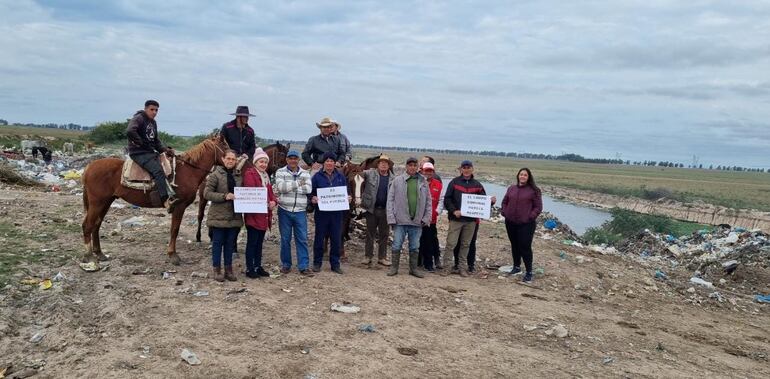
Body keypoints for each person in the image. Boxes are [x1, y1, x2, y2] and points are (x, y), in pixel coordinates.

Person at [442, 160, 495, 277]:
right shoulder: (454, 182)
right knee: (451, 244)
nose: (466, 170)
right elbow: (447, 199)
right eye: (464, 167)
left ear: (472, 169)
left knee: (466, 245)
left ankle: (462, 268)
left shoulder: (477, 185)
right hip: (456, 219)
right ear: (461, 169)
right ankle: (446, 267)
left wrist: (491, 202)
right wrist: (454, 210)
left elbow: (483, 203)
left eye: (468, 167)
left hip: (470, 221)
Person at [126, 100, 177, 211]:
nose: (154, 112)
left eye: (156, 110)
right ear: (146, 109)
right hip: (138, 153)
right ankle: (165, 200)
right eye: (152, 109)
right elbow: (130, 130)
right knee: (158, 171)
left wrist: (165, 150)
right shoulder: (139, 118)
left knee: (168, 165)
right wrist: (140, 142)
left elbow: (156, 140)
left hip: (148, 152)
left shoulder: (153, 122)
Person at [386, 157, 432, 278]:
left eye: (414, 165)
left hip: (417, 222)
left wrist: (426, 218)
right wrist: (391, 218)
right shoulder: (397, 181)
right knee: (396, 245)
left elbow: (428, 202)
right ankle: (394, 268)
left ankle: (413, 269)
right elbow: (390, 200)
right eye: (410, 165)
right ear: (406, 166)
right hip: (400, 221)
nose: (412, 167)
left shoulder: (423, 181)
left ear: (418, 167)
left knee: (415, 246)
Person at [204, 150, 243, 282]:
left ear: (236, 160)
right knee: (217, 244)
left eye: (233, 159)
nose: (230, 161)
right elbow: (207, 193)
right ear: (223, 159)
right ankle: (217, 270)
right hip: (218, 216)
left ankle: (228, 270)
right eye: (228, 158)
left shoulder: (239, 176)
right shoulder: (215, 175)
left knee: (229, 244)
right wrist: (224, 196)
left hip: (234, 216)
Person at [274, 149, 314, 276]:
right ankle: (286, 264)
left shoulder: (306, 173)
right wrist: (298, 183)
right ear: (287, 160)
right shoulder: (280, 172)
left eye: (295, 158)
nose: (293, 160)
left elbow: (308, 189)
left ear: (298, 160)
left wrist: (290, 186)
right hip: (284, 210)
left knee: (302, 239)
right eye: (290, 158)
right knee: (285, 239)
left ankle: (303, 266)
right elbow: (281, 188)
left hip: (300, 211)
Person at [501, 168, 543, 283]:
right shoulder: (511, 188)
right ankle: (516, 267)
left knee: (525, 247)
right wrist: (504, 212)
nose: (523, 176)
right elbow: (505, 202)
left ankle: (529, 272)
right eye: (521, 174)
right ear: (518, 176)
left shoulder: (534, 190)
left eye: (525, 175)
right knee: (514, 245)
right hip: (510, 222)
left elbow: (538, 207)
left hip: (526, 224)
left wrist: (529, 217)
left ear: (529, 177)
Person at [310, 152, 349, 274]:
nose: (329, 163)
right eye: (327, 161)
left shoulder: (341, 177)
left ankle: (335, 264)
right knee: (319, 238)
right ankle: (317, 263)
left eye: (331, 161)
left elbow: (345, 191)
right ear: (323, 163)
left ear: (334, 163)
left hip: (337, 213)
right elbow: (310, 193)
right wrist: (312, 198)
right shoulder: (316, 177)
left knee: (336, 239)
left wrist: (348, 197)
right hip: (322, 213)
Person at [243, 148, 277, 279]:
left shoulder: (265, 176)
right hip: (254, 215)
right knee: (252, 242)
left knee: (259, 243)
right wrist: (268, 201)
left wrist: (274, 201)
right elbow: (253, 192)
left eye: (265, 162)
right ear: (255, 162)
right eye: (260, 162)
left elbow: (270, 193)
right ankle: (249, 268)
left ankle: (257, 265)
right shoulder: (250, 174)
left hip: (264, 215)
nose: (263, 164)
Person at [360, 154, 395, 268]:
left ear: (389, 166)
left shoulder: (393, 179)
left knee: (384, 234)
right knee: (370, 233)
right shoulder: (369, 173)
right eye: (381, 162)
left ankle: (382, 257)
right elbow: (357, 174)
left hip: (386, 210)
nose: (384, 164)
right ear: (378, 165)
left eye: (386, 163)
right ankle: (368, 256)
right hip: (371, 209)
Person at [418, 162, 443, 272]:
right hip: (417, 218)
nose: (428, 173)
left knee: (429, 242)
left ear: (433, 172)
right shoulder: (417, 182)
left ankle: (429, 264)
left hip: (431, 219)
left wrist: (437, 212)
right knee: (417, 241)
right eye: (426, 171)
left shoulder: (438, 184)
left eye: (430, 171)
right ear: (422, 171)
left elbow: (442, 200)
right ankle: (418, 263)